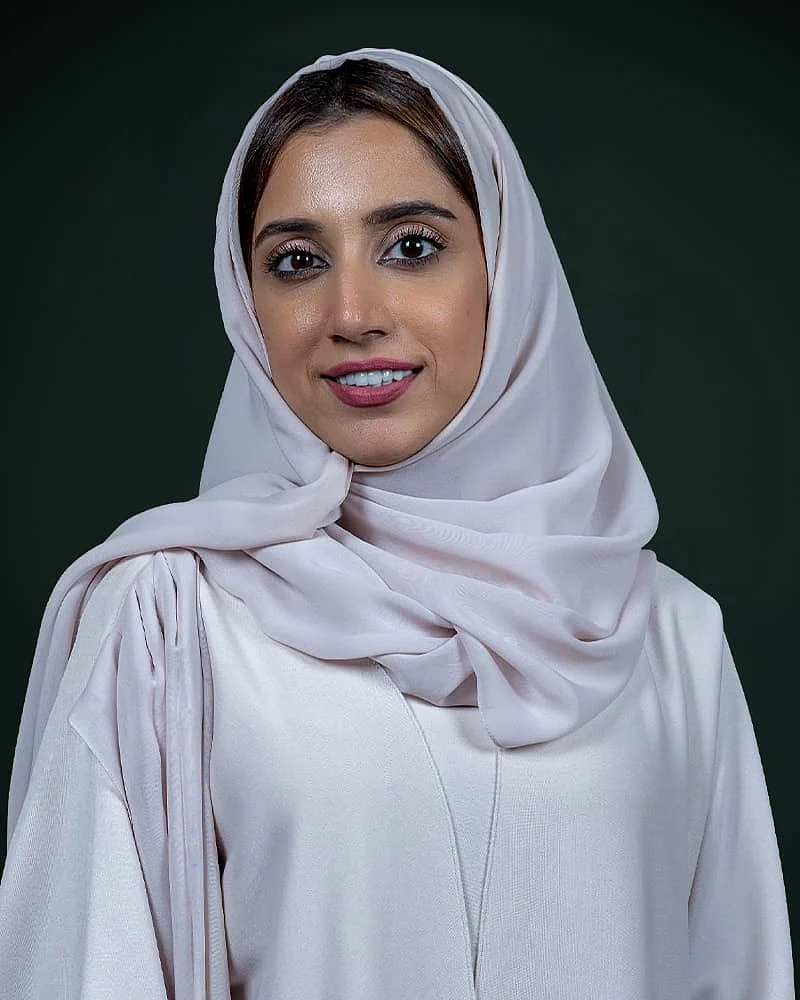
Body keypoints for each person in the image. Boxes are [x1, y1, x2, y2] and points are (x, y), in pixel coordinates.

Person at [0, 47, 793, 1000]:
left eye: (411, 247)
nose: (351, 314)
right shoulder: (170, 621)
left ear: (507, 271)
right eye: (296, 262)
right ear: (247, 305)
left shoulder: (668, 633)